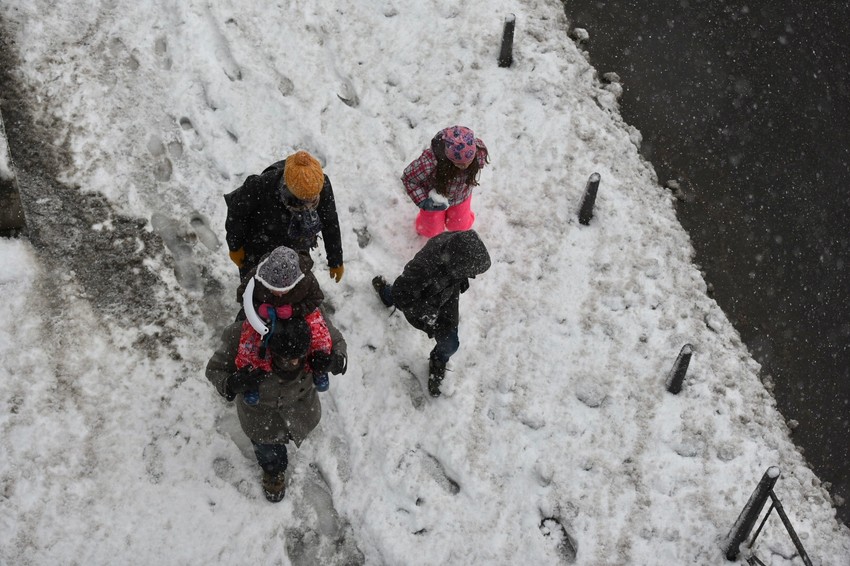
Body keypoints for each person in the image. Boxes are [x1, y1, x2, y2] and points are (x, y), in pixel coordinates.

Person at [205, 315, 347, 503]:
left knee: (277, 436)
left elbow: (337, 342)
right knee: (267, 450)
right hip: (259, 414)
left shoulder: (315, 324)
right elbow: (214, 370)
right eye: (285, 359)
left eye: (299, 357)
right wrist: (231, 383)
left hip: (300, 406)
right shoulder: (239, 335)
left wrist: (334, 361)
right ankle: (273, 470)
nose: (294, 364)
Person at [372, 230, 490, 397]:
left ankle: (438, 360)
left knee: (450, 343)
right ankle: (386, 293)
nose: (474, 276)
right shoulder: (423, 268)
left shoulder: (455, 245)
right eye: (471, 272)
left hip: (447, 293)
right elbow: (403, 294)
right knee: (398, 295)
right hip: (424, 301)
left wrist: (460, 278)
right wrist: (426, 319)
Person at [224, 150, 345, 282]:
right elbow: (237, 214)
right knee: (256, 285)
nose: (311, 202)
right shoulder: (262, 185)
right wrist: (235, 246)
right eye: (304, 199)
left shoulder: (321, 185)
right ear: (289, 188)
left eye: (314, 197)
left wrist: (336, 260)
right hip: (259, 245)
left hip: (297, 246)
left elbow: (330, 221)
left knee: (292, 287)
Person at [237, 245, 333, 393]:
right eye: (273, 289)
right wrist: (258, 308)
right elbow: (242, 295)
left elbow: (316, 298)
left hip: (298, 316)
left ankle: (319, 366)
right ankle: (252, 374)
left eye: (284, 290)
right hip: (264, 316)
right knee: (250, 340)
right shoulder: (255, 277)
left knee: (319, 334)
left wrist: (295, 310)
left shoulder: (306, 280)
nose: (278, 294)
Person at [402, 125, 489, 238]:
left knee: (460, 226)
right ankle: (425, 230)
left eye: (469, 161)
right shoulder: (431, 161)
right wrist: (423, 201)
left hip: (461, 196)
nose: (465, 166)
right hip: (435, 198)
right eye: (459, 163)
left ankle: (459, 224)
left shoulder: (479, 153)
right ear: (448, 158)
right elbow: (409, 179)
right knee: (431, 230)